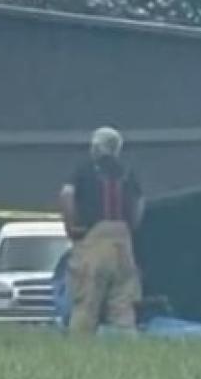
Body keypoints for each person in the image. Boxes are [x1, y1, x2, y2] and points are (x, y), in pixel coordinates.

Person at [59, 126, 145, 335]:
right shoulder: (128, 171)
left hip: (94, 238)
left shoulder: (84, 169)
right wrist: (130, 228)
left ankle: (79, 350)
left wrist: (72, 228)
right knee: (123, 301)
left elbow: (66, 195)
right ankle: (128, 350)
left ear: (96, 147)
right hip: (123, 241)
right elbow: (140, 202)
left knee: (87, 299)